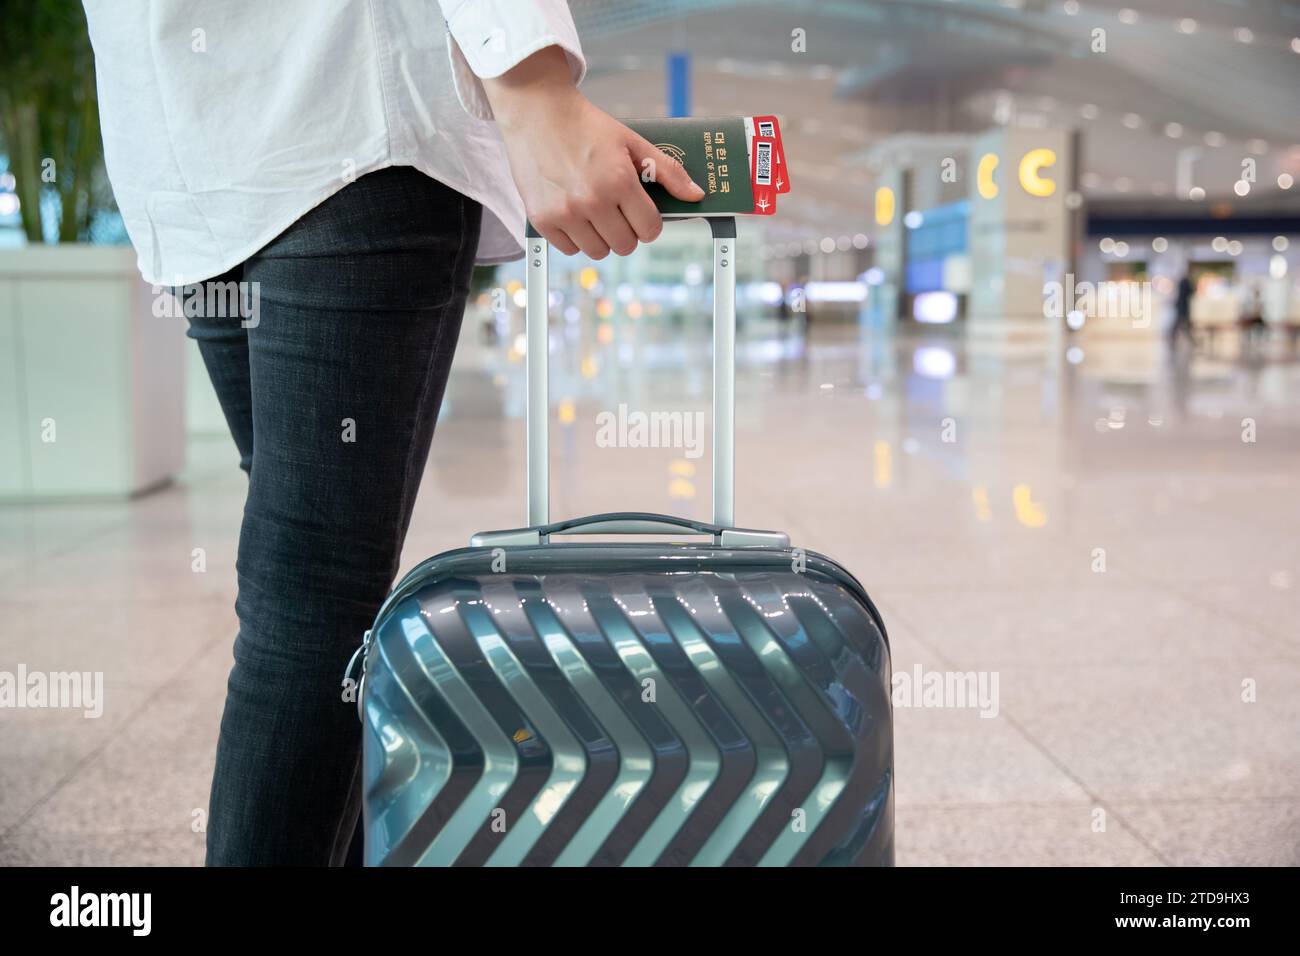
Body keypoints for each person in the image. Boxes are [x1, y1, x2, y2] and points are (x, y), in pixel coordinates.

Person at [81, 0, 704, 866]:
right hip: (341, 128)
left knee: (299, 606)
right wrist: (532, 85)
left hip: (203, 142)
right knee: (310, 612)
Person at [1170, 273, 1194, 347]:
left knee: (1180, 324)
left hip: (1181, 307)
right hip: (1183, 308)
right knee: (1181, 324)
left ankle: (1189, 339)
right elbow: (1190, 292)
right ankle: (1190, 340)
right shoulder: (1185, 282)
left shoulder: (1182, 282)